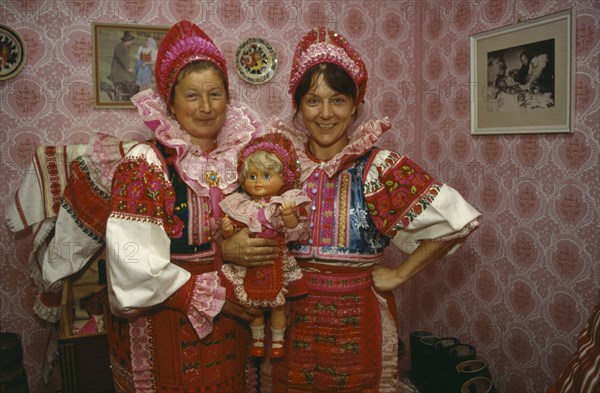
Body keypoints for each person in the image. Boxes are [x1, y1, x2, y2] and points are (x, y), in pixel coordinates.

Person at [250, 27, 481, 392]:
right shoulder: (279, 167)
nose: (325, 113)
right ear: (297, 107)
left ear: (356, 106)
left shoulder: (378, 168)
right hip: (288, 322)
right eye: (312, 101)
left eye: (338, 100)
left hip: (357, 325)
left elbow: (457, 221)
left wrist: (399, 275)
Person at [105, 20, 269, 392]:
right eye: (192, 96)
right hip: (167, 322)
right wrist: (218, 297)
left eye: (215, 93)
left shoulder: (243, 159)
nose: (207, 107)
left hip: (235, 325)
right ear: (171, 104)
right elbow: (132, 264)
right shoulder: (145, 164)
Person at [219, 133, 311, 359]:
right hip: (249, 264)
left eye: (266, 175)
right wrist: (228, 230)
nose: (258, 181)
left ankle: (278, 340)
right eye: (251, 176)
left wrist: (289, 215)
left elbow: (294, 230)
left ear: (283, 178)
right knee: (254, 304)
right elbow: (232, 233)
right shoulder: (241, 204)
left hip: (276, 260)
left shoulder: (281, 203)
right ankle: (258, 339)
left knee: (278, 304)